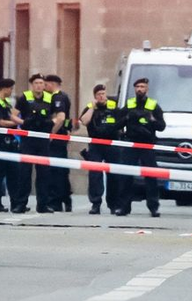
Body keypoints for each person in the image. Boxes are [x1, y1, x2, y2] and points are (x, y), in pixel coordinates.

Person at [114, 77, 165, 218]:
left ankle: (153, 207)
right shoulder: (129, 104)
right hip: (131, 144)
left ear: (147, 88)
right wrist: (127, 118)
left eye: (142, 86)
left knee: (151, 177)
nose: (139, 89)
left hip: (147, 144)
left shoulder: (153, 105)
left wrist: (153, 120)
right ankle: (123, 207)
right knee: (126, 176)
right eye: (137, 87)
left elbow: (162, 126)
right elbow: (117, 123)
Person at [80, 82, 123, 215]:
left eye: (103, 94)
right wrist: (92, 108)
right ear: (95, 96)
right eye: (99, 94)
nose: (102, 97)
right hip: (95, 145)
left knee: (114, 175)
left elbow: (121, 123)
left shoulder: (114, 106)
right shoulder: (90, 107)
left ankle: (113, 204)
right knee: (95, 175)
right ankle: (95, 203)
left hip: (111, 144)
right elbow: (84, 121)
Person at [16, 74, 56, 213]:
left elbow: (58, 116)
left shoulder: (50, 98)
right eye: (36, 83)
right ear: (32, 85)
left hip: (43, 139)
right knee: (24, 173)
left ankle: (43, 205)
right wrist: (24, 123)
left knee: (44, 174)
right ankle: (21, 204)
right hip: (28, 139)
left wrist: (52, 127)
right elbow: (13, 115)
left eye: (41, 83)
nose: (39, 85)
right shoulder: (24, 98)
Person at [0, 78, 23, 212]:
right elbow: (1, 122)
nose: (11, 91)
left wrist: (24, 122)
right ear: (5, 88)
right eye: (10, 88)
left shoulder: (5, 103)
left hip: (10, 144)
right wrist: (18, 124)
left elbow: (12, 117)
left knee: (14, 174)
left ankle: (16, 202)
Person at [43, 73, 73, 213]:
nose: (44, 87)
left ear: (52, 84)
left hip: (57, 140)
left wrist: (51, 134)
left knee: (55, 171)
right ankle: (66, 200)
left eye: (46, 84)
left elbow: (60, 118)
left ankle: (55, 201)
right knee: (62, 170)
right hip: (62, 138)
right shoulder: (65, 96)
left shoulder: (57, 97)